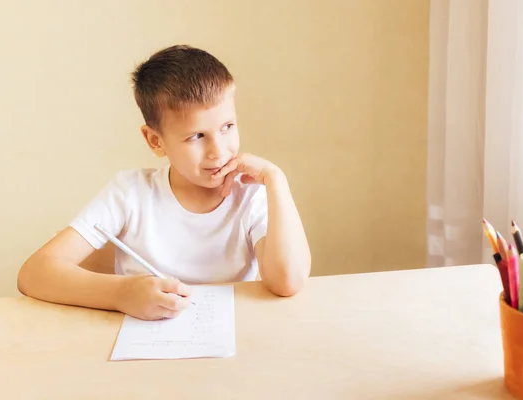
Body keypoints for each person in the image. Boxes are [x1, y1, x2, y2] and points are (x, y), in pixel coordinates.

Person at [17, 45, 311, 320]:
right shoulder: (130, 192)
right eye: (196, 136)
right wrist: (121, 293)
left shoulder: (251, 195)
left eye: (227, 127)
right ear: (155, 141)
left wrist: (276, 180)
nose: (218, 151)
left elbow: (288, 282)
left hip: (232, 345)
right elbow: (34, 273)